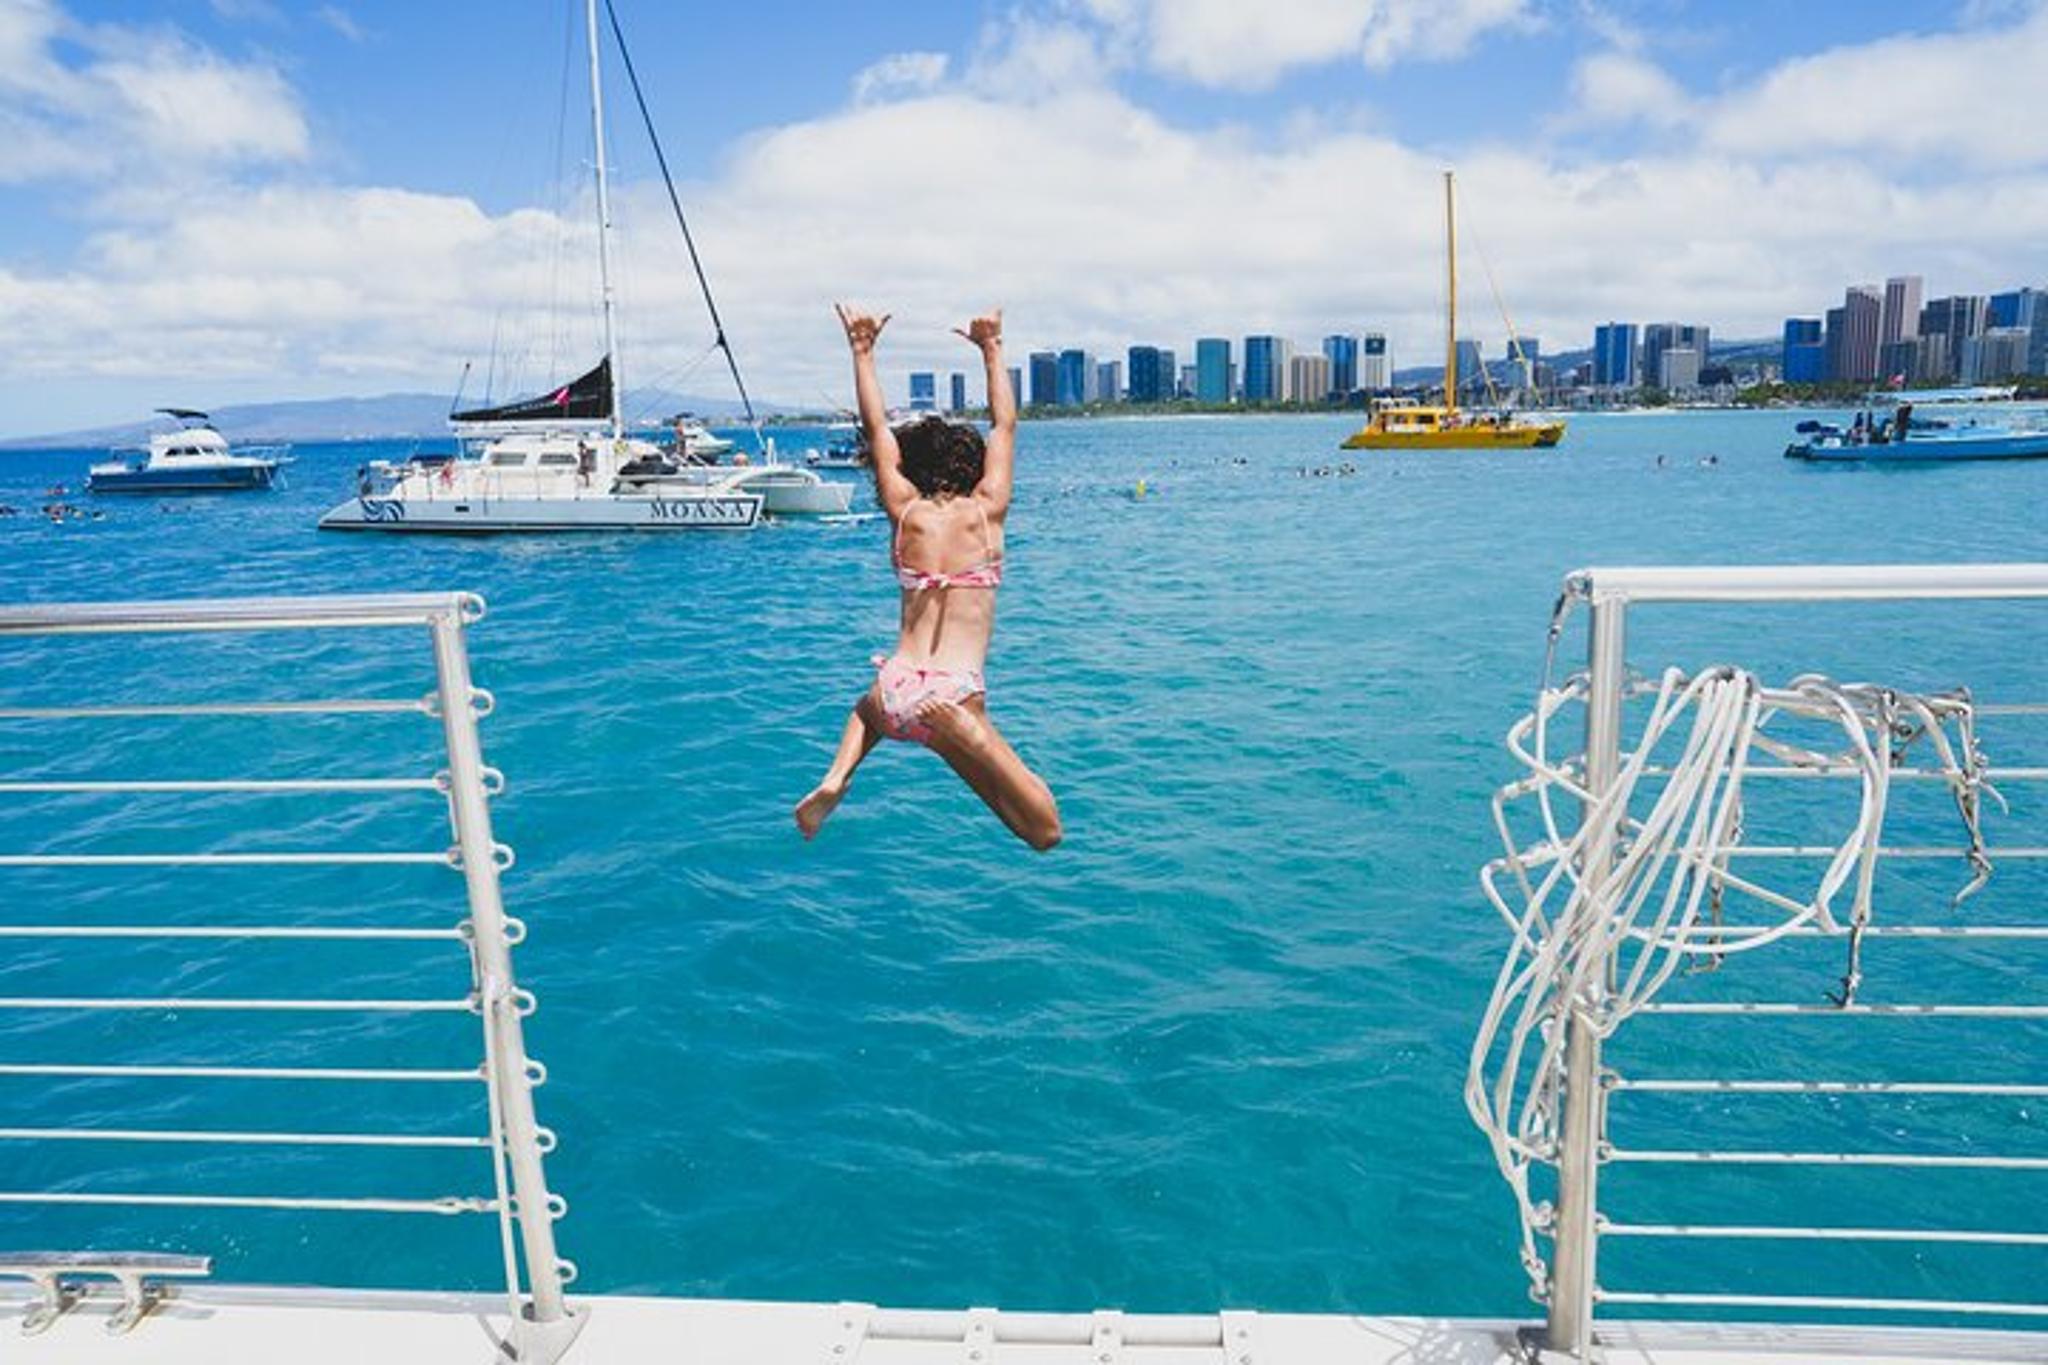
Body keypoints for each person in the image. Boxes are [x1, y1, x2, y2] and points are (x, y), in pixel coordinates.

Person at [793, 305, 1062, 852]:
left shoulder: (905, 514)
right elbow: (1005, 425)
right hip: (952, 701)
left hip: (897, 690)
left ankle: (838, 776)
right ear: (971, 467)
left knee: (868, 708)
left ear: (913, 470)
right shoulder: (987, 511)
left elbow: (876, 429)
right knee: (1042, 830)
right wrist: (992, 349)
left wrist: (862, 350)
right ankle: (977, 742)